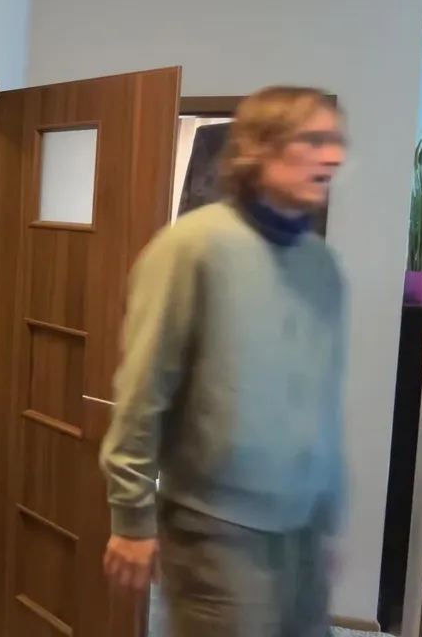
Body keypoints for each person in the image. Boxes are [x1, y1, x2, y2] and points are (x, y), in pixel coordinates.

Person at [98, 86, 348, 637]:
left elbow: (323, 403)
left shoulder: (322, 267)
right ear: (260, 147)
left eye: (337, 141)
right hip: (215, 533)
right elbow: (143, 388)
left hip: (302, 537)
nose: (333, 156)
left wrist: (328, 518)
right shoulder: (192, 248)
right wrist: (132, 516)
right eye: (314, 140)